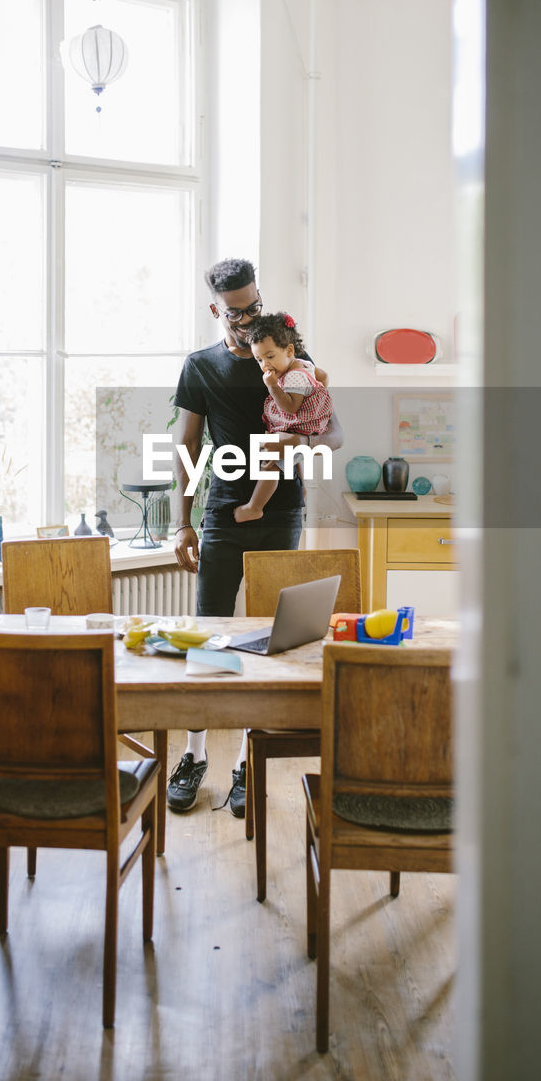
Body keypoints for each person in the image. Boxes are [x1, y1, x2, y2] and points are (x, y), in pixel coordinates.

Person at [167, 258, 343, 817]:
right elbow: (187, 449)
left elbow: (333, 434)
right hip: (221, 513)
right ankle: (195, 756)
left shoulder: (295, 360)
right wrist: (181, 520)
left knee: (269, 639)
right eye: (235, 311)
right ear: (215, 309)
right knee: (210, 638)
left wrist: (301, 445)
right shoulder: (200, 366)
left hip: (281, 510)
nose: (247, 319)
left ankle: (247, 763)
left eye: (254, 305)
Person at [233, 311, 332, 523]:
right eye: (259, 359)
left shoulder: (295, 376)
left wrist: (272, 386)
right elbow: (323, 375)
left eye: (270, 357)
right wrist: (318, 387)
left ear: (289, 350)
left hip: (297, 428)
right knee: (291, 462)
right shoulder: (303, 366)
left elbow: (289, 408)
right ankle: (303, 488)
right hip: (301, 429)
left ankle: (255, 506)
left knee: (270, 465)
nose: (265, 365)